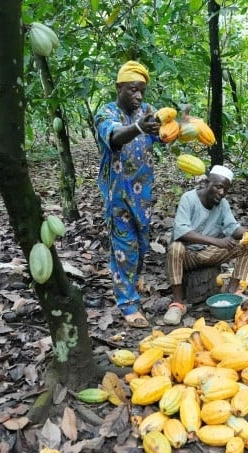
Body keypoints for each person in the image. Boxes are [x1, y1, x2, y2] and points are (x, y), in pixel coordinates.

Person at [94, 61, 162, 328]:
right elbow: (114, 137)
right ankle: (128, 303)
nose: (139, 96)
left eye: (142, 90)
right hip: (118, 194)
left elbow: (163, 135)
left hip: (143, 192)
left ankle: (134, 280)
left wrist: (180, 124)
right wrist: (139, 128)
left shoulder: (146, 111)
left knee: (142, 244)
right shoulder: (105, 113)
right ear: (119, 87)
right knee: (124, 247)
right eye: (133, 90)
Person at [163, 165, 248, 325]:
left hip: (208, 254)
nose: (221, 193)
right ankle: (178, 304)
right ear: (206, 183)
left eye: (225, 189)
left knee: (246, 247)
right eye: (218, 187)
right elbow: (182, 232)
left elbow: (232, 227)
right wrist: (217, 241)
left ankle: (232, 292)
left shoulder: (223, 204)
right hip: (187, 255)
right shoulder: (189, 198)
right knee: (175, 248)